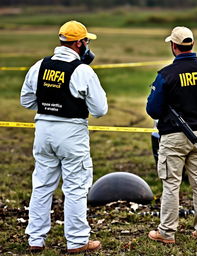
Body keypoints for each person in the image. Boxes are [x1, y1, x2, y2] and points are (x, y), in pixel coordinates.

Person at [20, 20, 108, 254]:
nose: (88, 45)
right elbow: (100, 110)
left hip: (43, 131)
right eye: (86, 41)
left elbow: (26, 101)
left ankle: (35, 240)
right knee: (76, 188)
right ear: (79, 43)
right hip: (71, 133)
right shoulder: (83, 71)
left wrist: (51, 104)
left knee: (41, 186)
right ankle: (77, 241)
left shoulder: (39, 66)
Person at [146, 26, 197, 244]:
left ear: (173, 46)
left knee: (171, 184)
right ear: (191, 45)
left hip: (173, 136)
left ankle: (167, 233)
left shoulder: (166, 74)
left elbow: (153, 110)